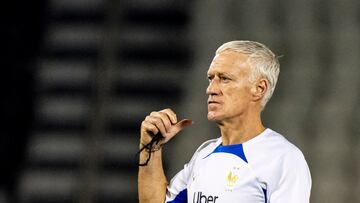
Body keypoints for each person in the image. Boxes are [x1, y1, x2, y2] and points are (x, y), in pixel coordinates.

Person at [138, 40, 312, 203]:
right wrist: (151, 148)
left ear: (259, 89)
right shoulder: (204, 154)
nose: (210, 89)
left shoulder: (283, 158)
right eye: (210, 78)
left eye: (225, 79)